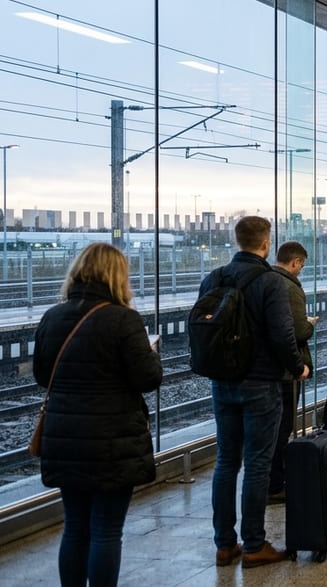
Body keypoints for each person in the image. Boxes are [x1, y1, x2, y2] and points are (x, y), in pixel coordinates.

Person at [33, 243, 162, 586]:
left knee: (75, 526)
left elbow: (43, 376)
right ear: (117, 277)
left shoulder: (52, 316)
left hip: (63, 438)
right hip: (111, 440)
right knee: (106, 530)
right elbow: (148, 379)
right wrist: (149, 353)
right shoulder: (124, 319)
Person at [203, 216, 308, 567]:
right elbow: (282, 335)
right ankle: (254, 545)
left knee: (226, 461)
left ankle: (223, 544)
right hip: (261, 384)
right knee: (258, 464)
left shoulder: (213, 278)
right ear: (266, 243)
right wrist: (298, 367)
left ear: (237, 240)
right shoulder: (270, 282)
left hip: (223, 382)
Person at [267, 241, 315, 503]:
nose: (301, 270)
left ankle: (270, 481)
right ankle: (276, 483)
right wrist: (309, 325)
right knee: (283, 427)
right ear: (295, 262)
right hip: (285, 371)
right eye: (302, 265)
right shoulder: (289, 286)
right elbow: (297, 331)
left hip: (265, 370)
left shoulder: (265, 280)